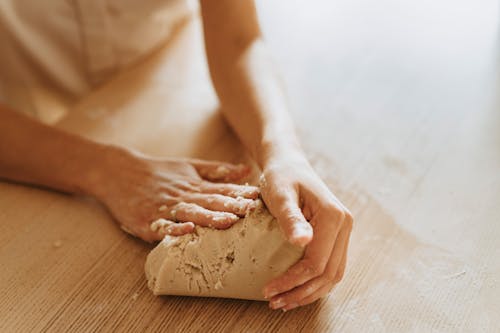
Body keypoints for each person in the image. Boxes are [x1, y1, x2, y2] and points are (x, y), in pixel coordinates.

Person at [0, 0, 353, 311]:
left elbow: (238, 40)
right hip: (24, 122)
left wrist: (282, 151)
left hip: (160, 75)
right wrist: (105, 170)